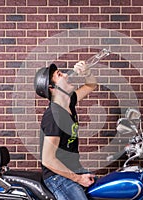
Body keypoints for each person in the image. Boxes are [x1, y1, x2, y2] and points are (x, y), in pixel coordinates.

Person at [34, 61, 97, 200]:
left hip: (73, 169)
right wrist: (78, 179)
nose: (67, 75)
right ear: (52, 88)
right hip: (57, 177)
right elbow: (48, 160)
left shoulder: (68, 102)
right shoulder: (54, 116)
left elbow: (91, 85)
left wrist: (87, 73)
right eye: (59, 75)